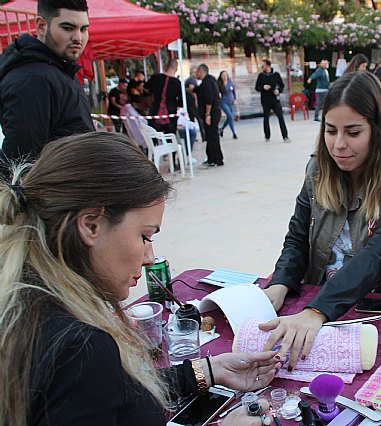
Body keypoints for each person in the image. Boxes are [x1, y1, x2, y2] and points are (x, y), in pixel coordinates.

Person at [0, 132, 280, 425]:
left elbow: (114, 394)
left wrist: (207, 371)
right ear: (91, 225)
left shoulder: (27, 300)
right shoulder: (79, 346)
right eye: (144, 236)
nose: (149, 258)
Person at [260, 71, 381, 369]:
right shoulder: (317, 169)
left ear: (378, 131)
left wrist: (317, 311)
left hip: (372, 312)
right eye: (330, 130)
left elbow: (379, 254)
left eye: (353, 133)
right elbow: (298, 235)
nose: (339, 144)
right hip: (315, 302)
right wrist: (281, 282)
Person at [0, 0, 93, 165]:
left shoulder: (58, 69)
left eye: (83, 29)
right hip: (58, 187)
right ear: (42, 26)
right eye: (68, 28)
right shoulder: (32, 79)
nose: (78, 38)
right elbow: (20, 163)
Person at [255, 59, 290, 143]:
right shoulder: (261, 76)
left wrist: (278, 90)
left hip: (275, 99)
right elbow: (257, 87)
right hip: (265, 100)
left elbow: (282, 85)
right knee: (266, 118)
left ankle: (285, 136)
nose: (262, 67)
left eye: (263, 65)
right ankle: (267, 136)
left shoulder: (276, 75)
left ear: (268, 65)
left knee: (280, 117)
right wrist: (263, 87)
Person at [196, 63, 224, 167]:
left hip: (212, 113)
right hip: (213, 112)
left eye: (197, 71)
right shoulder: (208, 81)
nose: (196, 73)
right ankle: (211, 157)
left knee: (213, 136)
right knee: (209, 135)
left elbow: (209, 99)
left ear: (201, 71)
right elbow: (199, 90)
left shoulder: (208, 82)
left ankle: (217, 159)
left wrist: (208, 114)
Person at [145, 59, 182, 135]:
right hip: (170, 114)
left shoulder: (156, 78)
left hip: (155, 111)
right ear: (176, 69)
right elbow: (181, 102)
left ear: (166, 66)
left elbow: (146, 89)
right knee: (170, 138)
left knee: (153, 136)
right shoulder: (177, 83)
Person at [218, 70, 238, 139]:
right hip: (223, 101)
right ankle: (234, 133)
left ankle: (221, 129)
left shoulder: (230, 83)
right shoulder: (219, 84)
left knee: (230, 117)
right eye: (223, 75)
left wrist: (235, 99)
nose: (224, 77)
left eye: (225, 75)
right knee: (230, 115)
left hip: (230, 101)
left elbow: (233, 91)